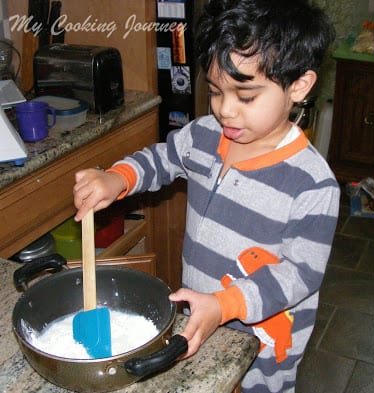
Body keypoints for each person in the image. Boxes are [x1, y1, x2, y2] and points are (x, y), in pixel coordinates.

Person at [73, 0, 340, 391]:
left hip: (260, 349)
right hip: (200, 317)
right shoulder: (204, 134)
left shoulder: (312, 185)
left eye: (245, 96)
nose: (226, 110)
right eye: (215, 91)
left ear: (299, 86)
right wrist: (118, 178)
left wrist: (226, 305)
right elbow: (164, 159)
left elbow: (299, 274)